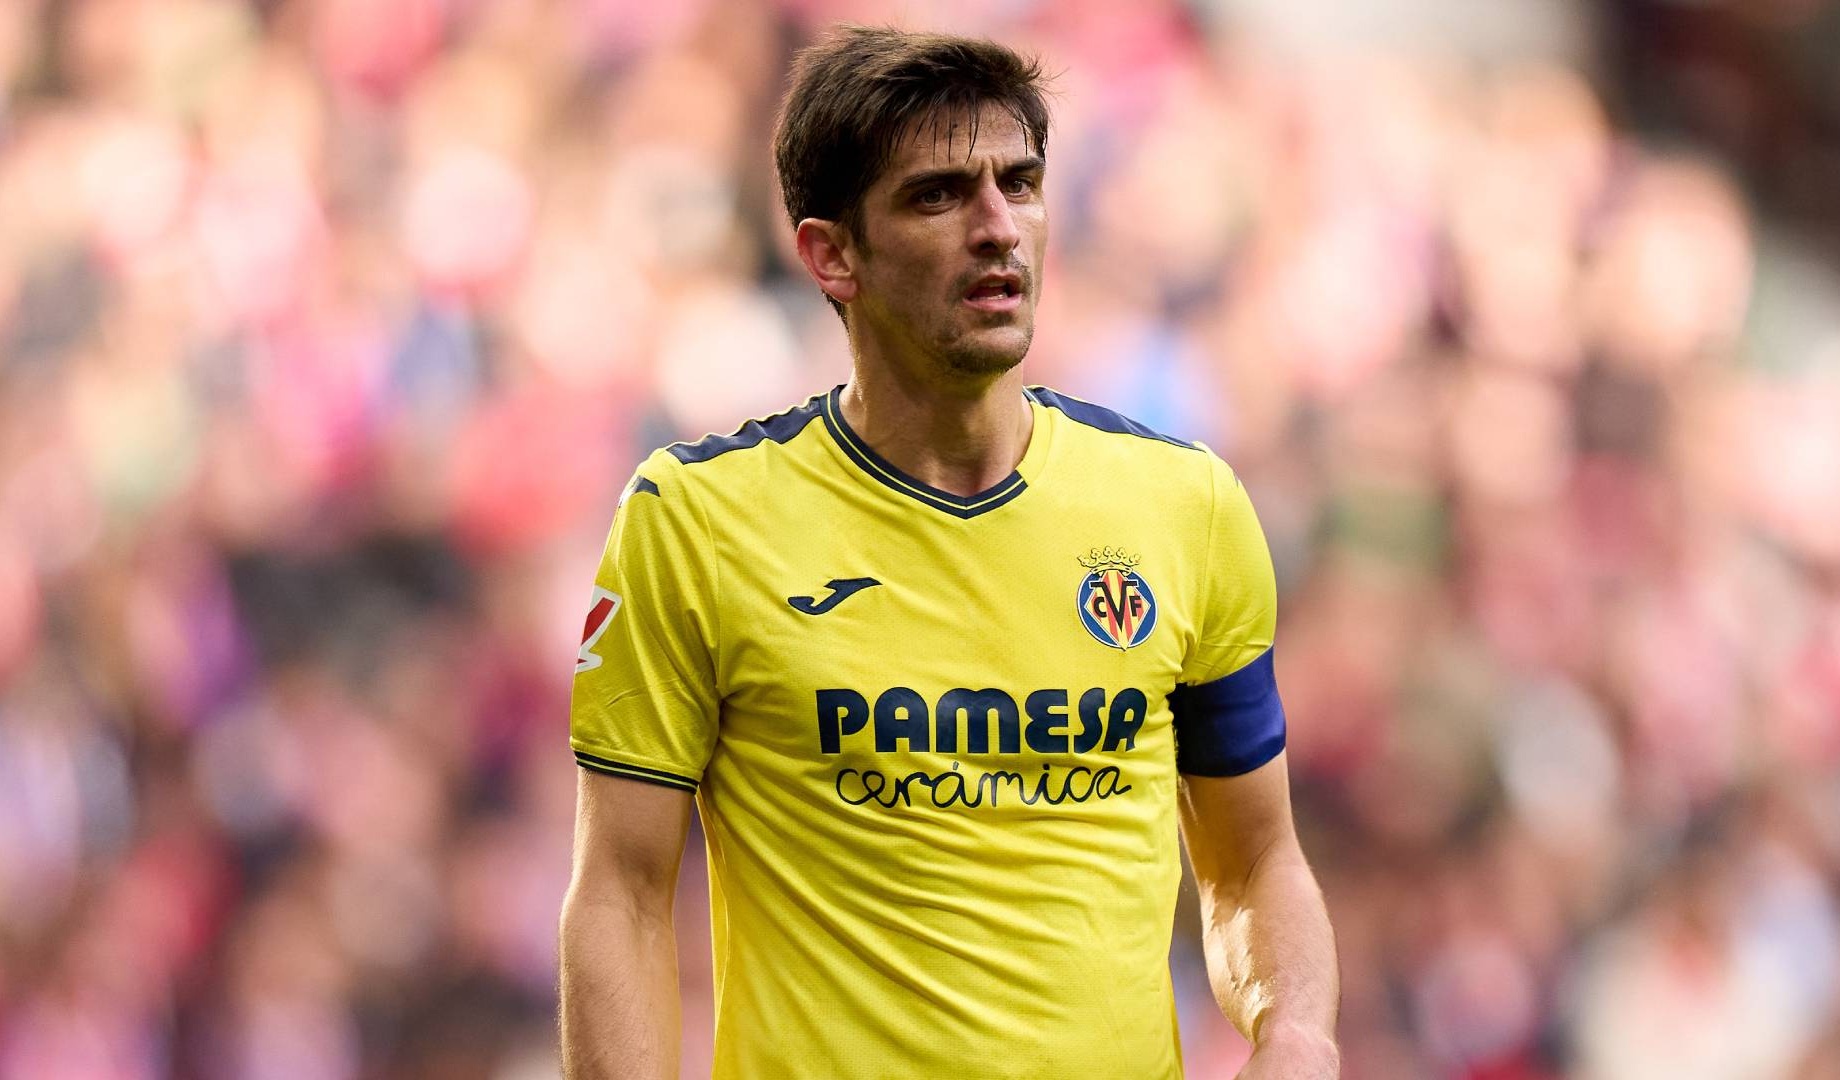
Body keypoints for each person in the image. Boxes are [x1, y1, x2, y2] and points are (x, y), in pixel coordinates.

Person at [557, 25, 1339, 1080]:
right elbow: (619, 895)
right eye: (937, 196)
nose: (997, 227)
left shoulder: (1185, 505)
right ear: (831, 255)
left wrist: (1294, 1030)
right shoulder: (695, 521)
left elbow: (1254, 863)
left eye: (1020, 184)